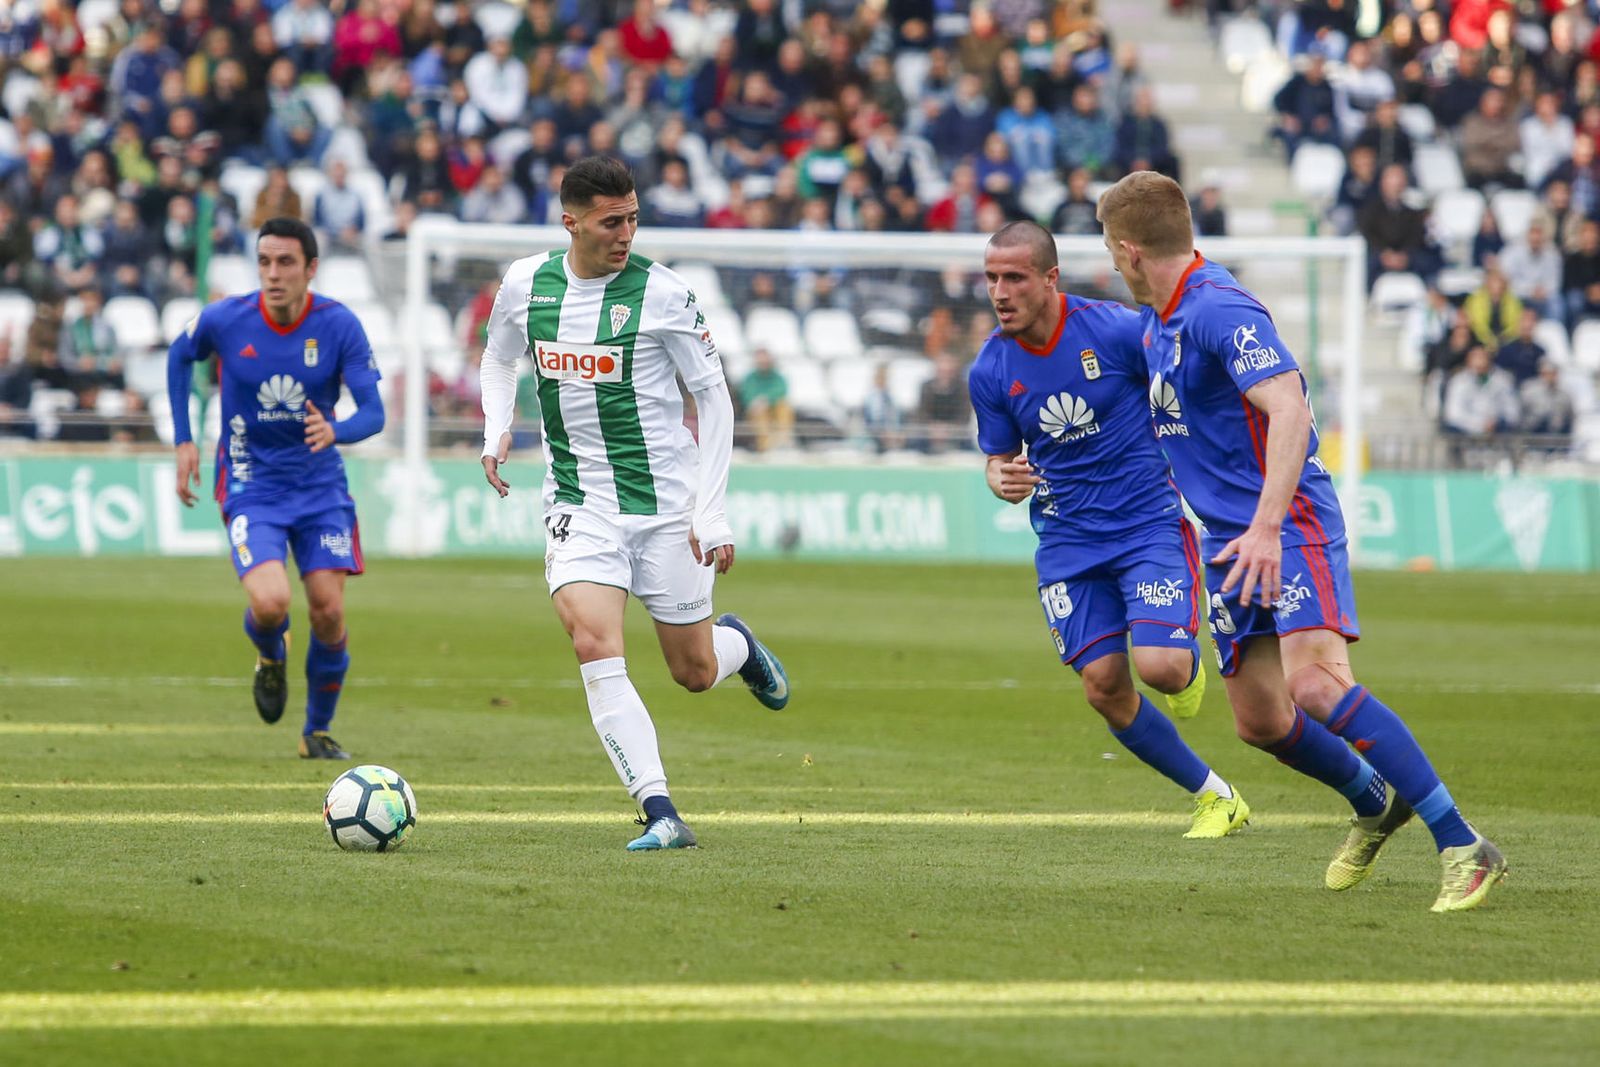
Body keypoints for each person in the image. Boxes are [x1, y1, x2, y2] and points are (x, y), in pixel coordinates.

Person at [1097, 171, 1507, 913]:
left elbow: (1288, 407)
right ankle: (1375, 801)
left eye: (1108, 249)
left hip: (1286, 524)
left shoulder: (1219, 307)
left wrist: (1265, 526)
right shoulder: (1159, 324)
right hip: (1230, 540)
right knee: (1260, 720)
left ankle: (1463, 843)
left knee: (1315, 683)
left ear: (1128, 251)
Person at [477, 157, 788, 852]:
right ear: (572, 223)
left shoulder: (664, 294)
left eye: (633, 219)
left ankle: (738, 645)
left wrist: (710, 513)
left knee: (694, 671)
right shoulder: (526, 285)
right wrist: (496, 426)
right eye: (611, 222)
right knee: (593, 641)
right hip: (579, 503)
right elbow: (498, 357)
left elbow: (714, 399)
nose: (625, 234)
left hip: (666, 508)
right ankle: (660, 810)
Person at [969, 221, 1245, 839]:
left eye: (1014, 277)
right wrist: (999, 477)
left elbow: (1183, 384)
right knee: (1103, 687)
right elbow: (998, 458)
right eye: (991, 278)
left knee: (1161, 668)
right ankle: (1216, 798)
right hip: (1067, 540)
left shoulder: (1116, 330)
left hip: (1146, 524)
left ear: (1050, 278)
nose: (1000, 292)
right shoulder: (990, 368)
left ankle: (1185, 659)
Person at [166, 217, 386, 760]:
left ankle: (316, 732)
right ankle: (270, 656)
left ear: (311, 269)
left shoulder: (339, 325)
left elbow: (374, 412)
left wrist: (337, 430)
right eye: (264, 261)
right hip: (251, 482)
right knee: (270, 603)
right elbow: (178, 355)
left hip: (320, 489)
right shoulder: (227, 318)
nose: (272, 273)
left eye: (285, 262)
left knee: (328, 612)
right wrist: (184, 439)